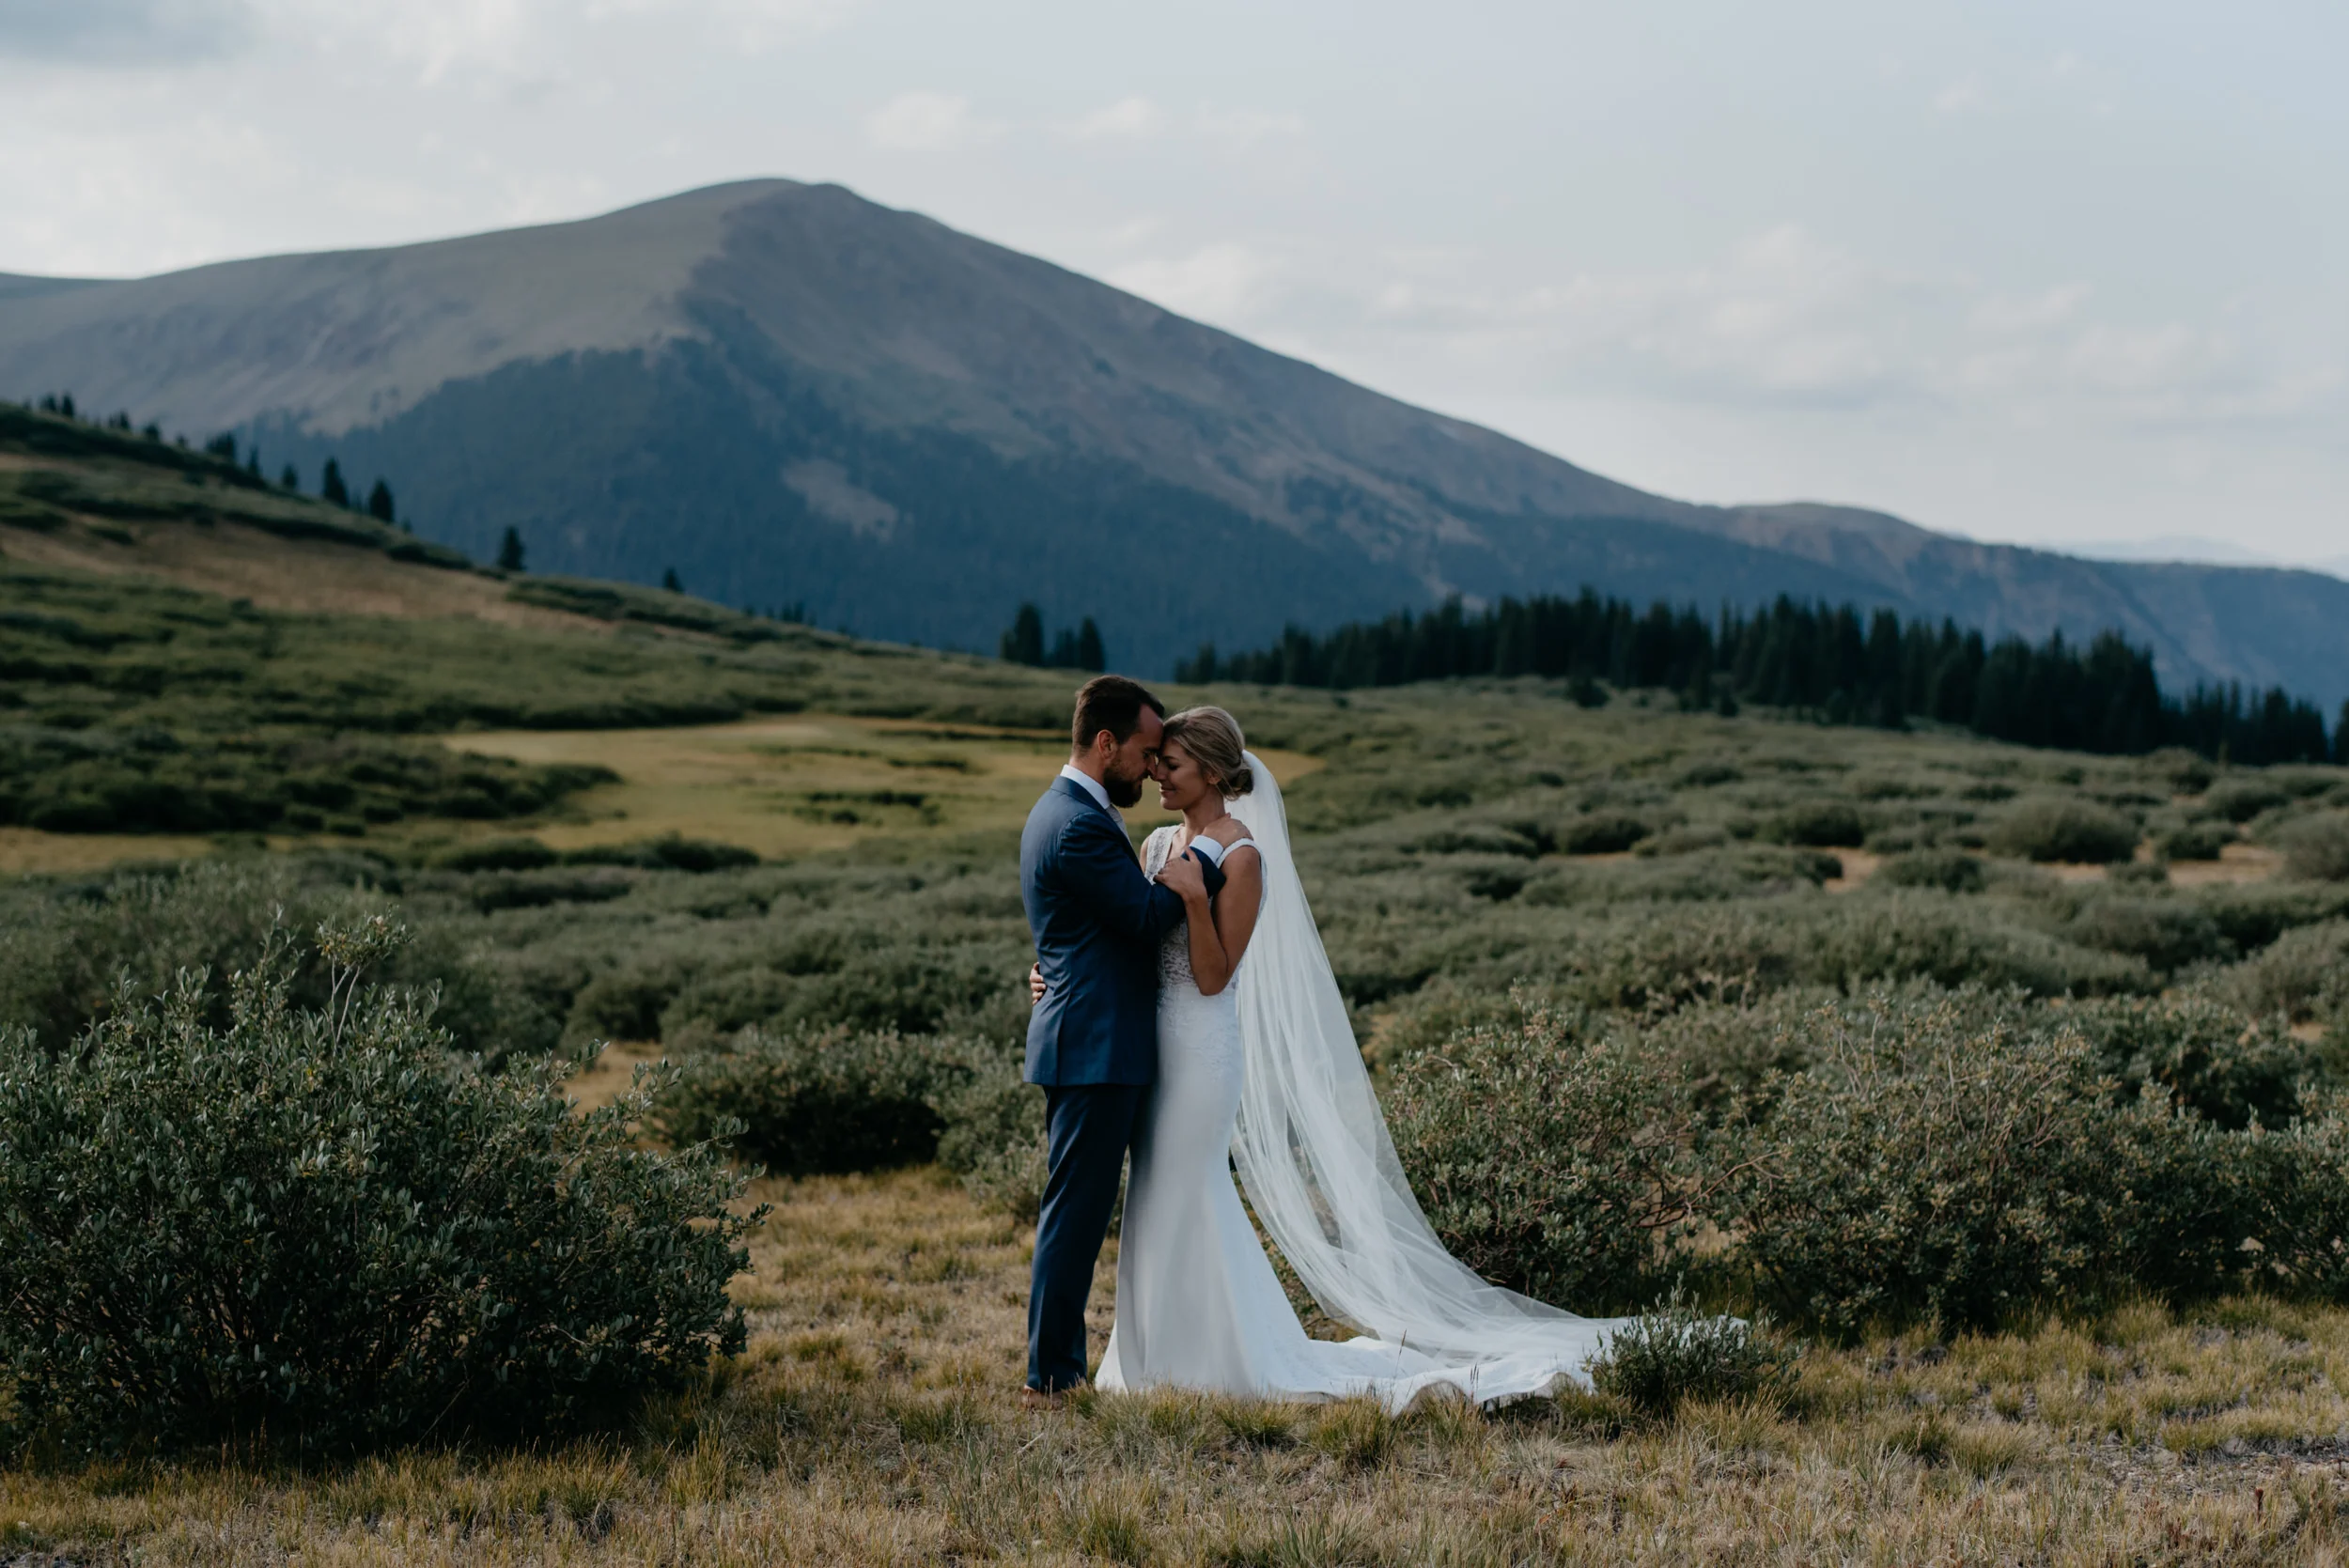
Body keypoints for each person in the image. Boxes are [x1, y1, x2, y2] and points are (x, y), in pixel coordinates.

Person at [1038, 705, 1625, 1412]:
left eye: (1174, 765)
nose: (1158, 774)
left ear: (1216, 773)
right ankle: (1155, 1357)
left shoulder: (1244, 856)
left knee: (1191, 1187)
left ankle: (1224, 1359)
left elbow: (1216, 973)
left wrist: (1196, 901)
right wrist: (1055, 971)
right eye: (1156, 760)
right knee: (1152, 1195)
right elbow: (1129, 937)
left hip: (1200, 1052)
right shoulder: (1158, 844)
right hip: (1148, 1047)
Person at [1018, 675, 1224, 1405]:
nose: (1149, 766)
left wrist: (1050, 966)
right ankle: (1052, 1376)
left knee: (1080, 1207)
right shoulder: (1077, 821)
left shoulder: (1069, 811)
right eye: (1142, 751)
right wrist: (1203, 861)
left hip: (1094, 1037)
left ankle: (1068, 1366)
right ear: (1105, 743)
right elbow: (1141, 916)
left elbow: (1077, 925)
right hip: (1094, 1047)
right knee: (1076, 1212)